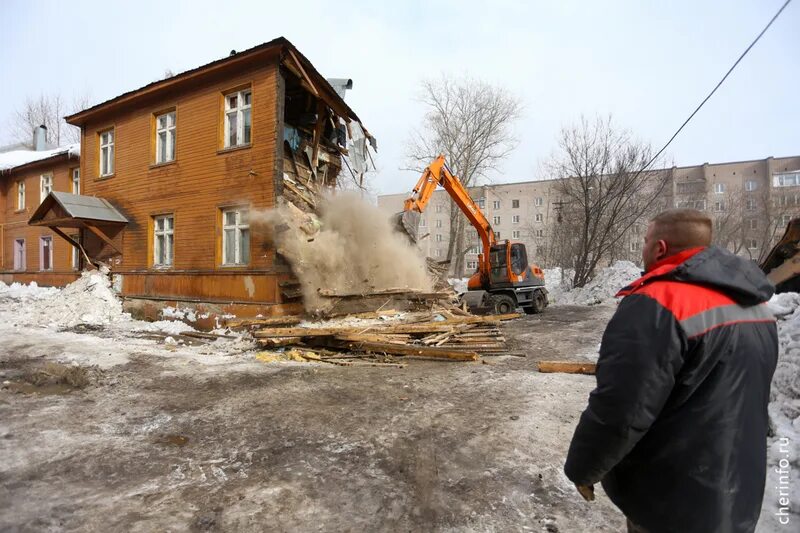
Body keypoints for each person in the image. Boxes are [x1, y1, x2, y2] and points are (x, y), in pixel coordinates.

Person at [564, 209, 779, 533]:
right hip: (738, 494)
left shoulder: (658, 303)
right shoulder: (756, 304)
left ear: (660, 248)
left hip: (671, 502)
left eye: (645, 241)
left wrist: (583, 467)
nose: (643, 248)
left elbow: (622, 408)